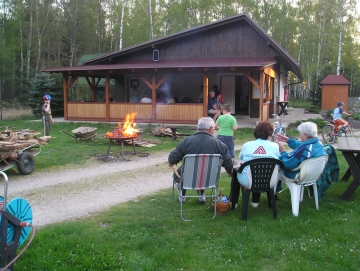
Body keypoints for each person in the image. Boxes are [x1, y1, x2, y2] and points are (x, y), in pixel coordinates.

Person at [168, 117, 233, 204]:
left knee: (182, 173)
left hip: (188, 178)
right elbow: (228, 164)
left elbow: (172, 159)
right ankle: (201, 195)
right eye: (213, 128)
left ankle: (182, 194)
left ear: (198, 128)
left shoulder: (186, 141)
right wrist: (230, 172)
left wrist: (172, 162)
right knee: (203, 172)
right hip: (209, 179)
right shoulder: (219, 144)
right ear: (210, 129)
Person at [230, 121, 280, 208]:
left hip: (248, 180)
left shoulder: (247, 145)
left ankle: (234, 202)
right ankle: (261, 202)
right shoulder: (275, 146)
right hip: (269, 180)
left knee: (236, 171)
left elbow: (241, 157)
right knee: (265, 170)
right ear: (270, 133)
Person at [274, 121, 325, 199]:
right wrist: (288, 140)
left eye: (300, 133)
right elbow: (301, 146)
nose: (299, 135)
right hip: (313, 174)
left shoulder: (306, 148)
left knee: (278, 166)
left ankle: (274, 195)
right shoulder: (318, 143)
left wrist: (283, 152)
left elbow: (288, 164)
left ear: (306, 135)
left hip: (299, 175)